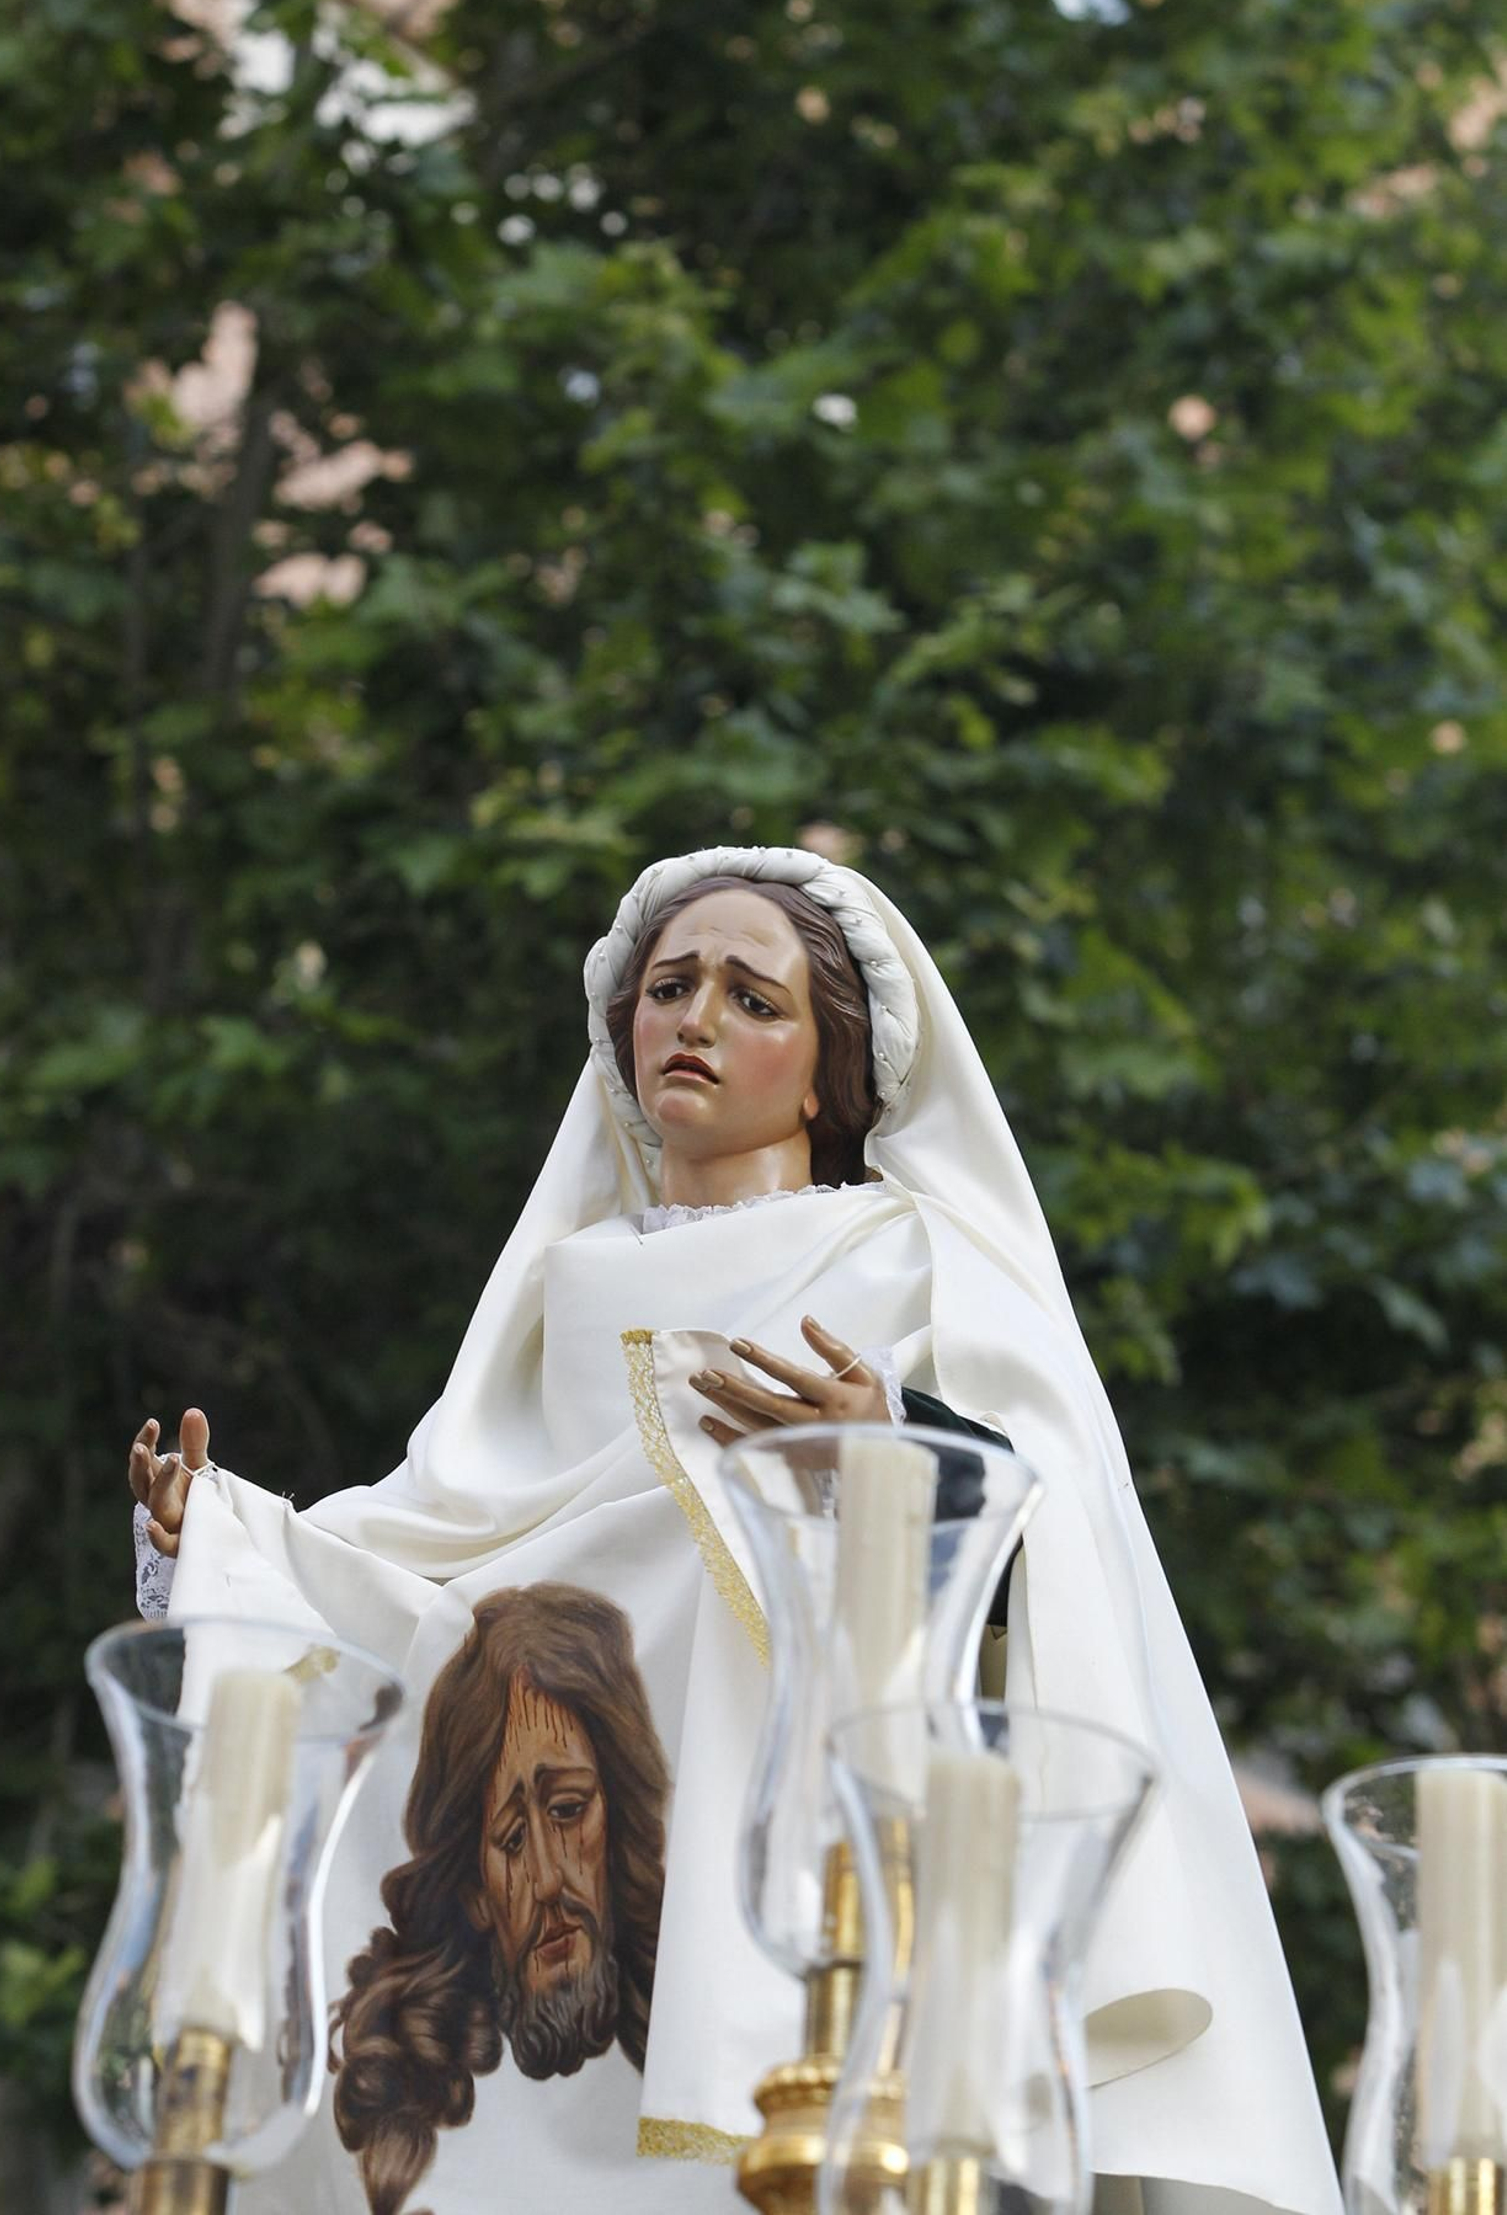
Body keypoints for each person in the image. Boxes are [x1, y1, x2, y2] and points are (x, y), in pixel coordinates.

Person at [130, 845, 1340, 2215]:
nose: (695, 1019)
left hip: (804, 1917)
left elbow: (1065, 1552)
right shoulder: (553, 1309)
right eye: (667, 987)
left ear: (830, 1074)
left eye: (753, 999)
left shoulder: (907, 1260)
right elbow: (435, 1579)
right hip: (571, 1955)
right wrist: (222, 1548)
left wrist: (895, 1450)